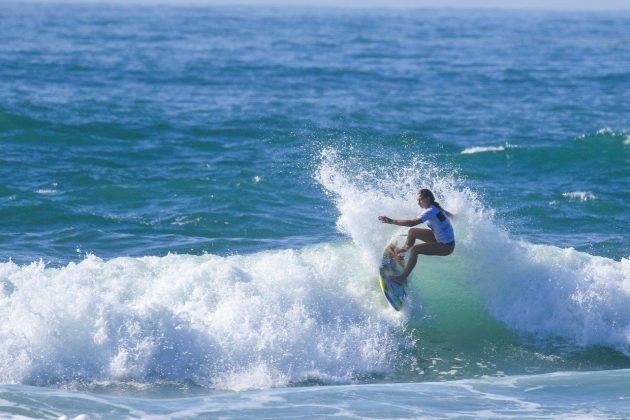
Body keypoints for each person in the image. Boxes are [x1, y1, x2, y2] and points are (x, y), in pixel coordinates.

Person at [378, 189, 455, 284]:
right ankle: (402, 253)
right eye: (417, 200)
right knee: (412, 232)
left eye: (420, 200)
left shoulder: (430, 211)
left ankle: (402, 278)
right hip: (440, 239)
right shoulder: (436, 207)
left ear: (428, 198)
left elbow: (411, 223)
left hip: (446, 246)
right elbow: (450, 215)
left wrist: (392, 221)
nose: (418, 203)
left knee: (415, 250)